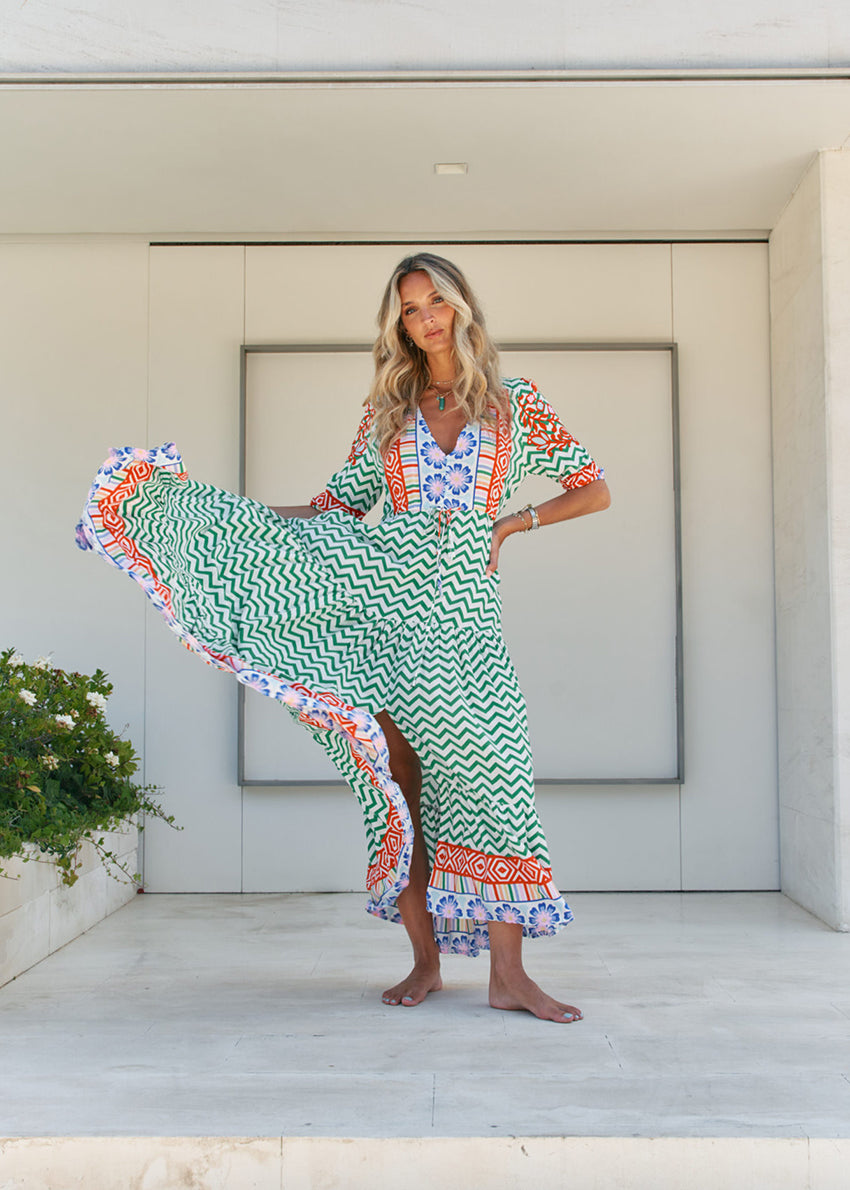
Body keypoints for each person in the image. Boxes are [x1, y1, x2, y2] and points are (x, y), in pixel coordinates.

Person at [76, 252, 609, 1025]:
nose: (424, 318)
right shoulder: (388, 413)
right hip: (381, 618)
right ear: (399, 323)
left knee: (497, 784)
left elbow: (593, 487)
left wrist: (510, 522)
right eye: (409, 308)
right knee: (404, 790)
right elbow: (333, 510)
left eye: (436, 302)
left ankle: (508, 976)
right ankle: (426, 962)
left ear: (462, 307)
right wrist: (222, 522)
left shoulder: (514, 404)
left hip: (465, 622)